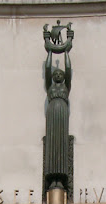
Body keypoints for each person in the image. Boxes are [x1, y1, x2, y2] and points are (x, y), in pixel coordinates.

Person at [44, 49, 71, 191]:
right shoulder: (50, 87)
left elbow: (69, 69)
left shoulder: (66, 87)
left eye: (61, 74)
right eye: (56, 74)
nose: (58, 74)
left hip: (62, 115)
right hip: (52, 114)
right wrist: (49, 52)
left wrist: (66, 51)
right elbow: (47, 68)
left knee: (61, 143)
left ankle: (60, 179)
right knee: (52, 145)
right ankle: (52, 178)